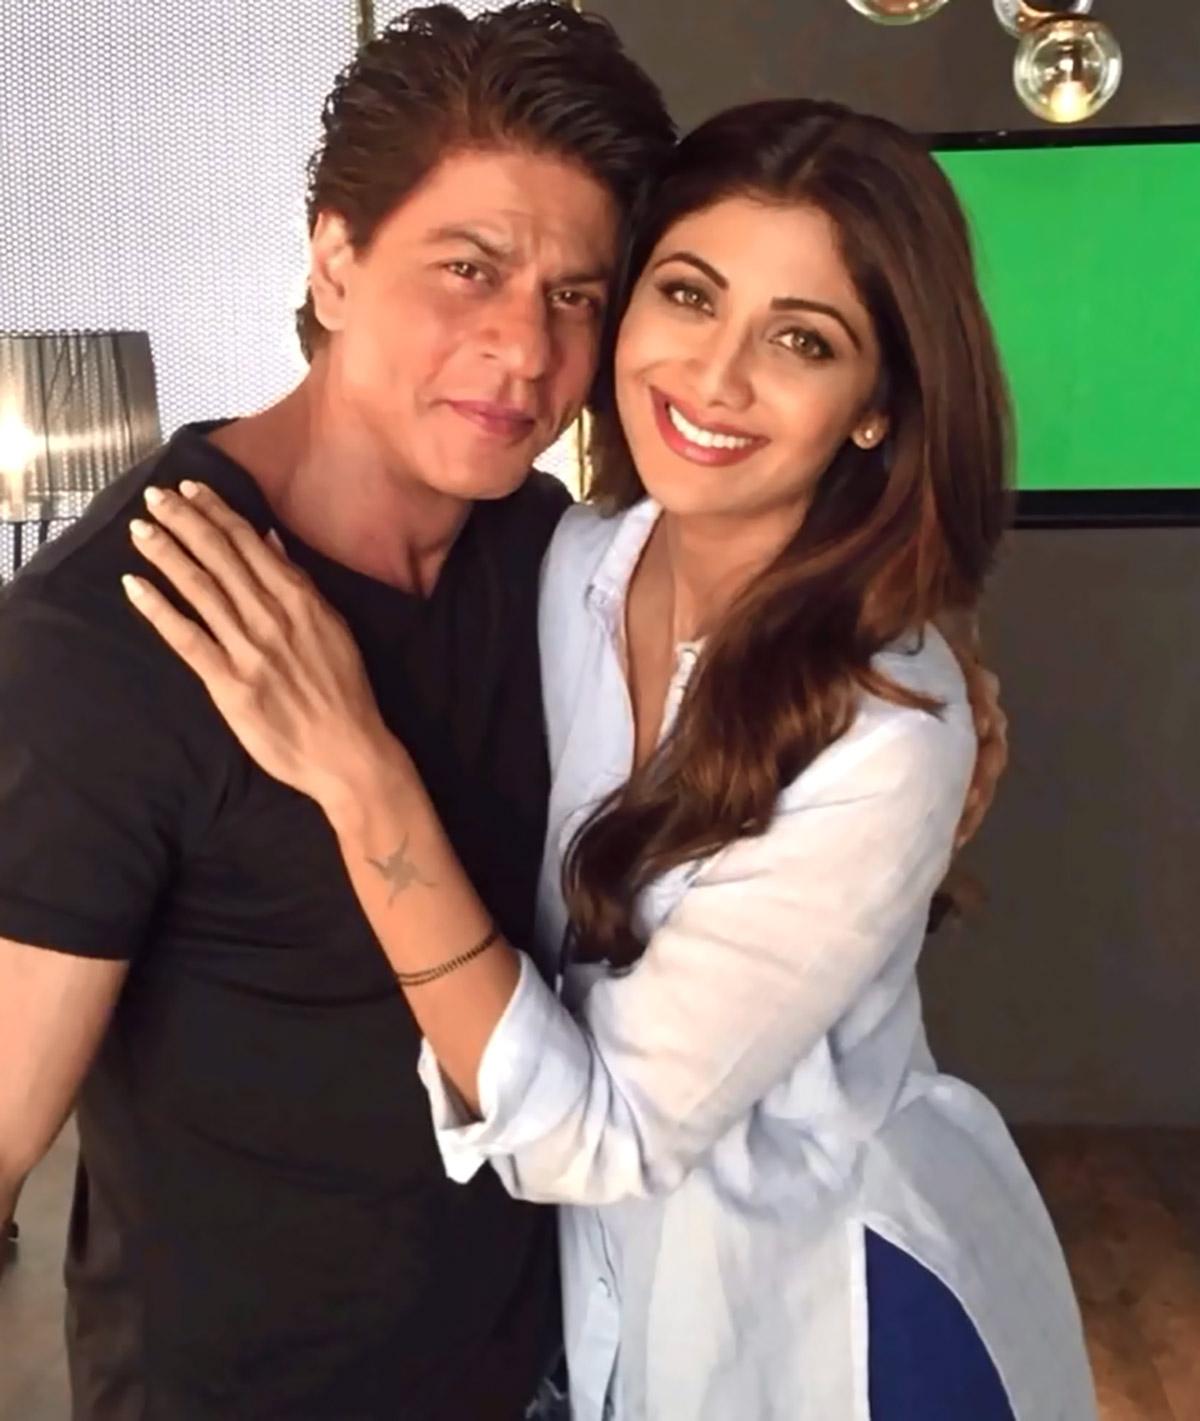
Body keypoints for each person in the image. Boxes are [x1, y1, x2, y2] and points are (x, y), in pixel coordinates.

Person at [124, 99, 1092, 1420]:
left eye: (802, 339)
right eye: (688, 294)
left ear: (877, 407)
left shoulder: (887, 726)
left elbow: (600, 1134)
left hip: (829, 1330)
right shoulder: (566, 566)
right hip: (587, 1320)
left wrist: (356, 771)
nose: (717, 376)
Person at [0, 7, 676, 1417]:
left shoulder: (550, 559)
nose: (523, 348)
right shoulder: (118, 629)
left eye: (575, 295)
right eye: (468, 268)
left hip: (543, 1374)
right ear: (335, 259)